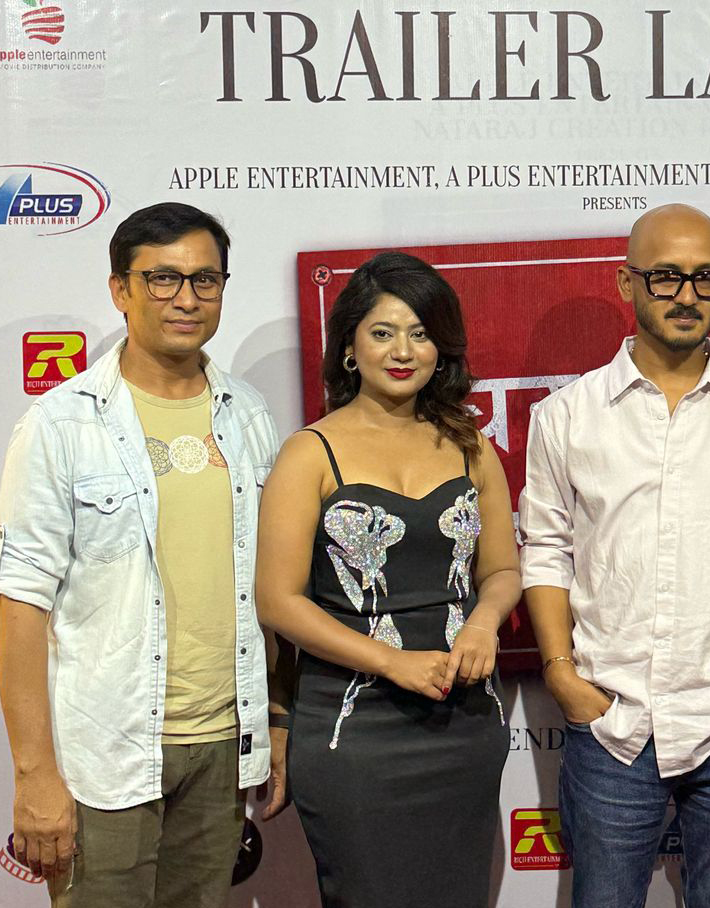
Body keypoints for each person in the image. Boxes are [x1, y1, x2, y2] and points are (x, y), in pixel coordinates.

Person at [519, 204, 710, 907]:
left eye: (705, 278)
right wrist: (562, 676)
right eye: (665, 277)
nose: (687, 295)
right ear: (625, 282)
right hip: (611, 719)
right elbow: (546, 553)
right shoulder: (567, 415)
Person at [0, 202, 281, 907]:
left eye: (205, 279)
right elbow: (20, 604)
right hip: (105, 754)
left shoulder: (249, 415)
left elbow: (270, 590)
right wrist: (34, 774)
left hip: (223, 749)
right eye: (162, 278)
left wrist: (273, 718)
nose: (187, 298)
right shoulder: (60, 424)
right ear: (120, 289)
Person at [255, 251, 519, 907]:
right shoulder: (309, 452)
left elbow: (502, 569)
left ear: (441, 349)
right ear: (349, 347)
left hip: (464, 724)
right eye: (382, 332)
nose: (403, 351)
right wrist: (390, 661)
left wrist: (484, 623)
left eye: (420, 333)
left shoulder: (471, 446)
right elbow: (278, 600)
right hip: (356, 734)